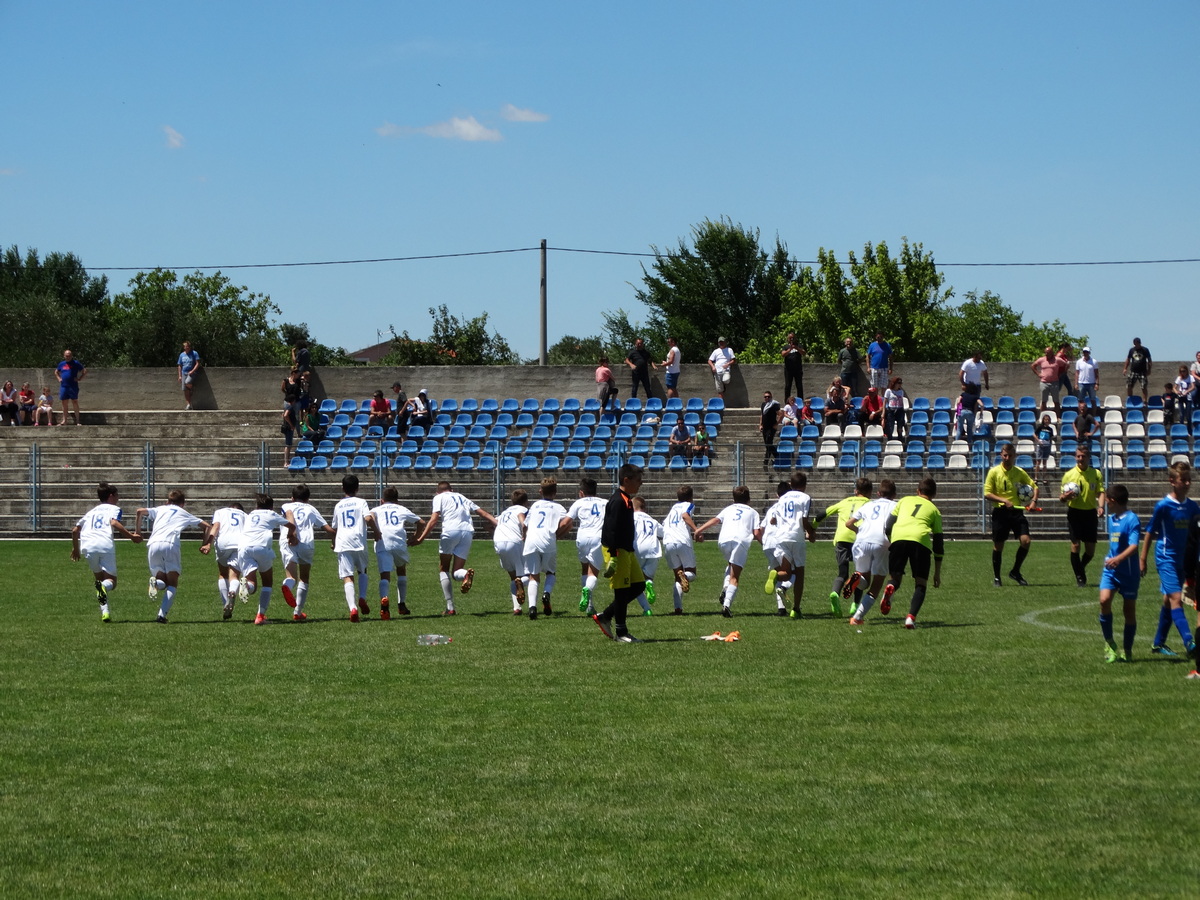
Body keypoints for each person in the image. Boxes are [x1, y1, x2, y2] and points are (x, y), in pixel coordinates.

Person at [1139, 461, 1200, 669]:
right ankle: (1190, 642)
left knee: (1168, 599)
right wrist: (1143, 558)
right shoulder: (1163, 506)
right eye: (1183, 479)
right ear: (1172, 481)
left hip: (1184, 560)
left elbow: (1195, 536)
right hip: (1166, 558)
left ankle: (1158, 643)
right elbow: (1150, 532)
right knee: (1176, 598)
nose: (1187, 483)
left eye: (1189, 479)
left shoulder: (1192, 507)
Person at [416, 481, 499, 615]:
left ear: (438, 492)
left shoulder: (438, 497)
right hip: (467, 532)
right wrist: (500, 525)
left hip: (451, 531)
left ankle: (450, 608)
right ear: (452, 489)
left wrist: (421, 537)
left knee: (444, 568)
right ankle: (465, 574)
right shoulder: (462, 496)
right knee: (456, 571)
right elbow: (484, 514)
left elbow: (434, 519)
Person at [71, 482, 143, 622]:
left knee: (99, 581)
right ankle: (104, 589)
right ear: (111, 496)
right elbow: (114, 523)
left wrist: (75, 549)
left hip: (88, 546)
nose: (118, 498)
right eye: (117, 496)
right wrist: (131, 536)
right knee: (111, 582)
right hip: (104, 545)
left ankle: (105, 612)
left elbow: (75, 531)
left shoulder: (91, 512)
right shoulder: (114, 509)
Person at [592, 463, 648, 643]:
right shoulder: (618, 501)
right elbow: (610, 530)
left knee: (639, 586)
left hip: (627, 549)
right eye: (638, 480)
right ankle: (621, 633)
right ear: (626, 479)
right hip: (617, 550)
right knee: (621, 591)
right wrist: (613, 556)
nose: (640, 484)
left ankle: (605, 616)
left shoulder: (627, 500)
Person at [136, 490, 211, 624]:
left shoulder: (160, 509)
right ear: (182, 504)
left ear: (167, 501)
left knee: (161, 581)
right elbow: (207, 526)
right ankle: (161, 615)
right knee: (172, 583)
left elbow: (139, 511)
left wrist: (138, 532)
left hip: (153, 544)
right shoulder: (183, 512)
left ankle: (154, 583)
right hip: (170, 544)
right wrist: (205, 544)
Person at [883, 477, 945, 629]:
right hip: (920, 541)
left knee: (895, 578)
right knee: (921, 583)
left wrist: (892, 541)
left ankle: (891, 587)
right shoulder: (935, 510)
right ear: (934, 495)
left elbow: (888, 525)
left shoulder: (904, 501)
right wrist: (937, 573)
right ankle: (910, 618)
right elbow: (938, 544)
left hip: (899, 538)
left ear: (917, 491)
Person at [694, 485, 762, 618]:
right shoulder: (753, 512)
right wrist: (765, 544)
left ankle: (726, 588)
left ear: (733, 498)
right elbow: (756, 532)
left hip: (724, 540)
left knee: (730, 565)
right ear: (749, 499)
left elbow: (716, 520)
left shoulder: (728, 509)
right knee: (735, 577)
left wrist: (699, 529)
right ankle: (727, 605)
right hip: (740, 541)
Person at [812, 477, 872, 617]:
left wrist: (812, 529)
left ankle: (835, 593)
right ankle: (855, 606)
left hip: (842, 539)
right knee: (859, 574)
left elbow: (821, 515)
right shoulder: (870, 504)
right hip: (859, 538)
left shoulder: (844, 502)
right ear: (870, 492)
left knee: (843, 573)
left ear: (855, 490)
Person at [236, 494, 299, 626]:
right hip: (262, 546)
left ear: (256, 506)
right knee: (267, 582)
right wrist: (290, 536)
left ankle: (246, 585)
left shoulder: (251, 514)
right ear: (271, 506)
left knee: (252, 582)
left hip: (243, 547)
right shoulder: (272, 514)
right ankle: (260, 616)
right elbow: (292, 525)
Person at [845, 480, 899, 626]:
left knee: (864, 581)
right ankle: (857, 617)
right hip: (882, 542)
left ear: (878, 493)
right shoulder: (895, 506)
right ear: (894, 494)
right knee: (876, 585)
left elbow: (848, 523)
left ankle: (856, 579)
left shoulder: (868, 504)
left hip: (861, 540)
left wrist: (859, 531)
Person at [985, 443, 1038, 587]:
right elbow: (987, 493)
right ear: (1001, 456)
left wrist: (1033, 501)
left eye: (1009, 455)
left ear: (1014, 456)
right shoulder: (994, 472)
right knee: (998, 545)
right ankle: (997, 577)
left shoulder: (1019, 472)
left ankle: (1015, 571)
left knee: (1026, 541)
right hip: (1000, 512)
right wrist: (1003, 500)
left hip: (1016, 512)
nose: (1006, 458)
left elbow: (1034, 486)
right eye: (1004, 455)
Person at [1097, 484, 1140, 663]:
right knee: (1104, 600)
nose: (1105, 503)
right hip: (1111, 569)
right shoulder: (1111, 519)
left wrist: (1119, 559)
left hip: (1128, 572)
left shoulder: (1132, 520)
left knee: (1128, 611)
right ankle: (1110, 644)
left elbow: (1134, 545)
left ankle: (1127, 650)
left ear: (1112, 501)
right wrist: (1112, 559)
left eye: (1107, 500)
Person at [331, 474, 382, 622]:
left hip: (343, 542)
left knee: (347, 576)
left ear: (343, 488)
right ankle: (362, 597)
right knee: (362, 571)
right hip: (358, 541)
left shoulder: (338, 505)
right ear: (357, 488)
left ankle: (353, 608)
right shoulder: (361, 502)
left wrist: (333, 541)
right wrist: (376, 532)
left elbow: (335, 526)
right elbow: (367, 518)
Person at [280, 486, 334, 621]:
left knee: (291, 577)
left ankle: (287, 585)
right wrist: (334, 540)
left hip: (287, 541)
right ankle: (297, 612)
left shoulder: (286, 505)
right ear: (307, 499)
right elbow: (327, 528)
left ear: (292, 498)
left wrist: (291, 533)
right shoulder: (311, 508)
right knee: (304, 578)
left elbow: (288, 515)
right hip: (306, 543)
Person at [521, 477, 571, 619]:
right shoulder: (559, 508)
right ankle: (546, 593)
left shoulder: (535, 506)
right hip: (548, 540)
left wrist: (524, 536)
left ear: (540, 491)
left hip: (531, 541)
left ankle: (532, 608)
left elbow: (525, 524)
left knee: (533, 576)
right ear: (555, 492)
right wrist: (558, 535)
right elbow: (568, 524)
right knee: (550, 572)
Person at [769, 471, 817, 619]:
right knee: (800, 573)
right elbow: (803, 520)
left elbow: (773, 520)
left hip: (781, 537)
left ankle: (775, 575)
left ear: (791, 484)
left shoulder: (782, 498)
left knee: (787, 572)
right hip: (796, 537)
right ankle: (796, 608)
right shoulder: (805, 498)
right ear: (805, 485)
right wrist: (812, 532)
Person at [371, 486, 424, 620]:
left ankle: (384, 603)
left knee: (384, 574)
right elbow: (421, 522)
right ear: (397, 500)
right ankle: (401, 605)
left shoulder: (376, 509)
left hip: (383, 541)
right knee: (401, 570)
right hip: (399, 542)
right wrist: (416, 537)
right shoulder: (401, 509)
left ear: (382, 500)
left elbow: (369, 517)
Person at [1059, 447, 1106, 588]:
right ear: (1075, 457)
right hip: (1074, 513)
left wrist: (1101, 506)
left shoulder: (1096, 474)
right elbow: (1061, 498)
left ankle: (1080, 566)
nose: (1080, 459)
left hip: (1090, 513)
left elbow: (1101, 492)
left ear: (1088, 457)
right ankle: (1080, 576)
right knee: (1075, 545)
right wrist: (1065, 497)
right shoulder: (1069, 475)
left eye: (1083, 456)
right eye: (1078, 456)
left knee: (1090, 550)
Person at [567, 477, 607, 615]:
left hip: (582, 537)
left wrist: (556, 533)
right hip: (598, 537)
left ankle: (590, 606)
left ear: (581, 492)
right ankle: (587, 590)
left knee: (584, 569)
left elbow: (567, 520)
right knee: (593, 573)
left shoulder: (579, 503)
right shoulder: (604, 503)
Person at [207, 501, 247, 620]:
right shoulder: (245, 516)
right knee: (234, 575)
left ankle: (226, 603)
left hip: (223, 543)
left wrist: (208, 543)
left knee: (223, 573)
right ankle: (233, 591)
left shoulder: (220, 512)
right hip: (239, 543)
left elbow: (216, 526)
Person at [661, 484, 697, 615]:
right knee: (691, 573)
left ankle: (677, 608)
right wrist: (696, 530)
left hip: (668, 541)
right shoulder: (688, 505)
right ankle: (685, 576)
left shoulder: (672, 508)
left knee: (677, 576)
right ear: (691, 497)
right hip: (682, 540)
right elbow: (685, 516)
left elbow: (664, 524)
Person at [493, 489, 529, 615]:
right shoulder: (523, 510)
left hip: (498, 541)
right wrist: (524, 534)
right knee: (529, 576)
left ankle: (517, 608)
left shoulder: (504, 512)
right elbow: (523, 523)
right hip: (514, 541)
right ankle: (522, 584)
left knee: (513, 576)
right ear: (526, 502)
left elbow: (490, 524)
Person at [631, 496, 664, 615]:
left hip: (638, 549)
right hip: (654, 549)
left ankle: (647, 609)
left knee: (635, 582)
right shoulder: (652, 520)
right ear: (644, 507)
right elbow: (663, 532)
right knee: (647, 578)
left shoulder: (631, 518)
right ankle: (649, 583)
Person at [55, 348, 86, 426]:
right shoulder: (61, 364)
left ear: (71, 356)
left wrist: (79, 378)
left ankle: (78, 421)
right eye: (66, 356)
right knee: (64, 403)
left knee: (74, 401)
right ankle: (64, 421)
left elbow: (84, 371)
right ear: (64, 356)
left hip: (73, 386)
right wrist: (59, 378)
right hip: (64, 386)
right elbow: (56, 372)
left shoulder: (76, 363)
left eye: (69, 356)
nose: (68, 357)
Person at [1031, 346, 1065, 413]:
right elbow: (1033, 366)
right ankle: (1043, 416)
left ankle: (1057, 416)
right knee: (1044, 401)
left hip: (1054, 382)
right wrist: (1038, 374)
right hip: (1044, 382)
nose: (1046, 354)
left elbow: (1066, 365)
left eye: (1048, 352)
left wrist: (1062, 373)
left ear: (1052, 352)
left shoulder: (1057, 359)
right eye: (1045, 352)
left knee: (1056, 401)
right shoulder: (1042, 359)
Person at [1123, 337, 1152, 404]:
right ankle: (1130, 399)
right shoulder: (1131, 350)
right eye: (1135, 344)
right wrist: (1125, 368)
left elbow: (1149, 360)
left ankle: (1145, 400)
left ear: (1139, 343)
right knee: (1129, 385)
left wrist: (1149, 369)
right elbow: (1128, 359)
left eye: (1137, 344)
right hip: (1133, 371)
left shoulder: (1145, 350)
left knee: (1143, 386)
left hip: (1142, 371)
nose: (1136, 345)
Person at [758, 391, 781, 468]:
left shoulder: (774, 405)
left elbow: (781, 414)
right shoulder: (763, 405)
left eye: (768, 396)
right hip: (765, 427)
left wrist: (776, 424)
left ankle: (766, 461)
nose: (767, 398)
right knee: (767, 444)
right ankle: (777, 456)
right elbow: (762, 415)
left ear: (771, 397)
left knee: (768, 443)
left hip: (771, 428)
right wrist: (760, 424)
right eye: (765, 397)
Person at [781, 333, 805, 402]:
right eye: (790, 338)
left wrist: (796, 348)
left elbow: (804, 353)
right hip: (788, 370)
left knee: (799, 386)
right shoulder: (785, 347)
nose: (792, 339)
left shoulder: (799, 346)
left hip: (798, 370)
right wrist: (790, 349)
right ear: (788, 339)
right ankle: (787, 402)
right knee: (788, 386)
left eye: (793, 338)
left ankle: (800, 401)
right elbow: (783, 354)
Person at [177, 341, 201, 410]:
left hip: (191, 373)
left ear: (190, 347)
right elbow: (179, 365)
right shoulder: (182, 355)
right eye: (185, 346)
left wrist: (192, 371)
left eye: (187, 346)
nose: (186, 348)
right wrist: (180, 375)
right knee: (185, 389)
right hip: (184, 372)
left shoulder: (194, 353)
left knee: (187, 382)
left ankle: (192, 388)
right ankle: (188, 404)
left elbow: (197, 363)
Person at [1074, 347, 1099, 412]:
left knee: (1093, 400)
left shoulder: (1094, 362)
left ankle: (1093, 415)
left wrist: (1097, 383)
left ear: (1089, 353)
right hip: (1081, 383)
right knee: (1080, 400)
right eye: (1084, 352)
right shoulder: (1079, 362)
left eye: (1087, 352)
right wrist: (1076, 383)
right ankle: (1080, 415)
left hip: (1091, 383)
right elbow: (1077, 373)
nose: (1085, 353)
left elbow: (1096, 373)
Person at [1033, 414, 1055, 480]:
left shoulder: (1050, 429)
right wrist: (1038, 441)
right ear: (1043, 420)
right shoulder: (1040, 427)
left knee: (1045, 462)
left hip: (1047, 446)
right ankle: (1036, 477)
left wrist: (1050, 446)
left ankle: (1044, 477)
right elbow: (1034, 434)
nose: (1047, 421)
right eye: (1045, 420)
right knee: (1038, 462)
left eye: (1048, 420)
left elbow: (1050, 438)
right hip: (1040, 446)